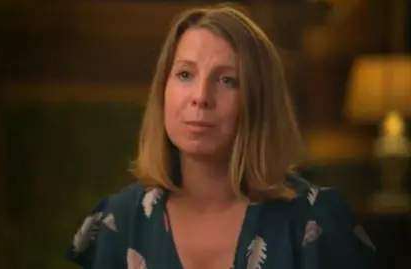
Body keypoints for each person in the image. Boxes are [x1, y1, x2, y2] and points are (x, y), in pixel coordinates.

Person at [65, 4, 375, 269]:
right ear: (163, 90)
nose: (200, 97)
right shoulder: (118, 221)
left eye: (227, 80)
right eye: (185, 74)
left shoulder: (315, 218)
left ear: (259, 101)